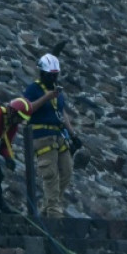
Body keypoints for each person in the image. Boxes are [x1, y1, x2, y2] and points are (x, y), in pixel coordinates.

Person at [23, 53, 82, 218]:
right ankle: (54, 212)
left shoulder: (57, 90)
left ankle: (47, 205)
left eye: (55, 76)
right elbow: (28, 109)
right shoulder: (33, 89)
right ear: (42, 74)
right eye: (50, 76)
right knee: (50, 174)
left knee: (67, 170)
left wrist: (73, 134)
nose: (53, 79)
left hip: (58, 135)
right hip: (42, 136)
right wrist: (46, 97)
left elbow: (61, 112)